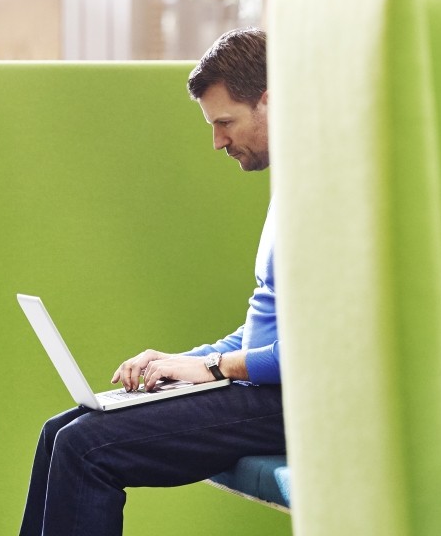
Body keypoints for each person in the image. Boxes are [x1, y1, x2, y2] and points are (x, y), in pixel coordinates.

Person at [19, 28, 285, 536]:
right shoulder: (289, 188)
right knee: (60, 431)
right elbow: (268, 325)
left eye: (226, 122)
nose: (218, 142)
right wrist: (183, 362)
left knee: (86, 448)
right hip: (261, 388)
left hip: (294, 403)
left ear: (271, 102)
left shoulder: (327, 193)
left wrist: (213, 366)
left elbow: (321, 357)